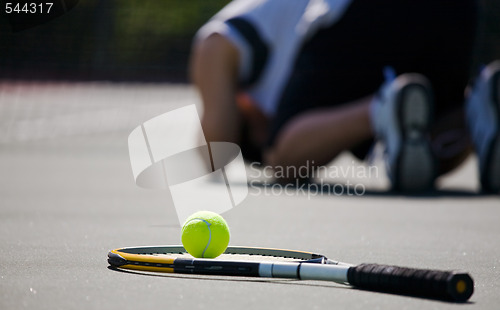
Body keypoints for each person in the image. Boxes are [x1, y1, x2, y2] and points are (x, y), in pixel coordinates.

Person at [189, 0, 499, 192]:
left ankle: (382, 108)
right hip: (456, 8)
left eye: (257, 134)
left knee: (282, 158)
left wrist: (204, 143)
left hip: (357, 10)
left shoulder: (215, 42)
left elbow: (215, 152)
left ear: (244, 103)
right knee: (427, 144)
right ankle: (476, 111)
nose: (264, 130)